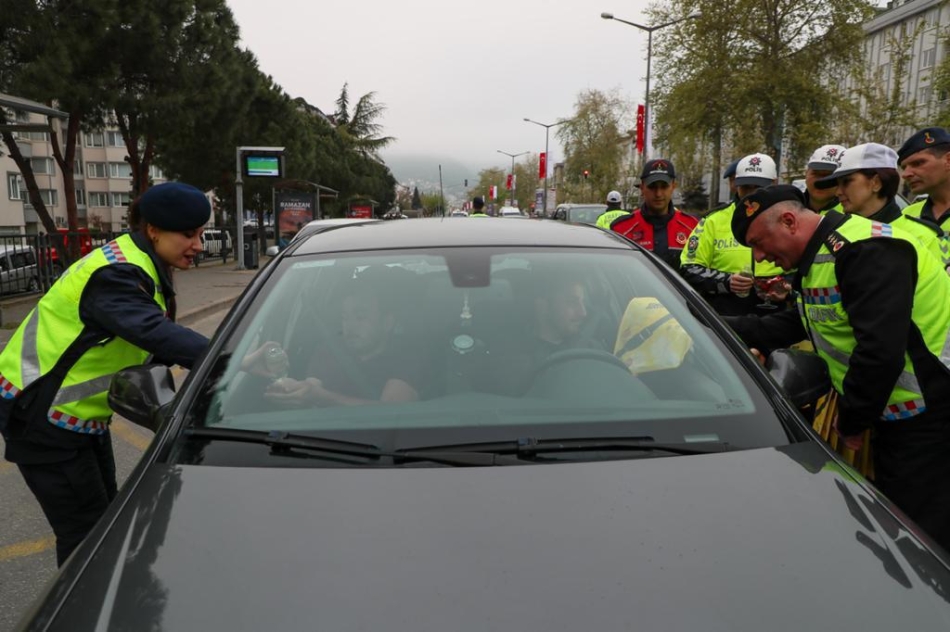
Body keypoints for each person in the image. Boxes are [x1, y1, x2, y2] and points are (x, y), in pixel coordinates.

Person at [726, 184, 950, 551]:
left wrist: (851, 422)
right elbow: (798, 323)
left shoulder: (865, 249)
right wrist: (712, 325)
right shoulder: (820, 257)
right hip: (893, 415)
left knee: (921, 540)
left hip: (928, 415)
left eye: (759, 243)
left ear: (789, 221)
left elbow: (879, 351)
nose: (760, 257)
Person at [0, 182, 211, 565]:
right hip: (41, 418)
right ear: (153, 230)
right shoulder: (117, 273)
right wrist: (228, 358)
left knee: (102, 526)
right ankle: (82, 601)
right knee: (86, 538)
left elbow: (151, 343)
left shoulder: (139, 262)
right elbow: (153, 331)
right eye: (188, 235)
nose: (198, 245)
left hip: (74, 419)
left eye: (200, 234)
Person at [260, 268, 422, 407]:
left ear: (387, 322)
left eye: (360, 317)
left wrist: (320, 396)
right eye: (344, 317)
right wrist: (290, 392)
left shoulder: (408, 356)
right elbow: (310, 388)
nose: (349, 326)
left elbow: (391, 412)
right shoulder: (328, 351)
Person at [680, 153, 788, 315]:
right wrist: (726, 281)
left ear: (774, 183)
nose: (751, 194)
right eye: (746, 187)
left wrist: (787, 284)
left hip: (776, 315)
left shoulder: (789, 219)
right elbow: (689, 267)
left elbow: (806, 270)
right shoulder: (713, 220)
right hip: (726, 317)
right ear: (735, 185)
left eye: (758, 187)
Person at [813, 142, 943, 261]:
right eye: (837, 184)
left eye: (846, 182)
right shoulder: (834, 232)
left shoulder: (922, 236)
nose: (838, 192)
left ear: (876, 183)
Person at [609, 158, 698, 270]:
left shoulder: (692, 227)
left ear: (673, 187)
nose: (658, 194)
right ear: (642, 188)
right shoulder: (621, 229)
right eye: (652, 187)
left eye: (664, 186)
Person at [897, 127, 950, 270]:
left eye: (918, 163)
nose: (906, 174)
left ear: (948, 160)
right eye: (904, 167)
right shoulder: (907, 215)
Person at [802, 144, 846, 213]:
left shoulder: (853, 212)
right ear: (806, 173)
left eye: (829, 175)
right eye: (816, 173)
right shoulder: (789, 206)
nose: (821, 181)